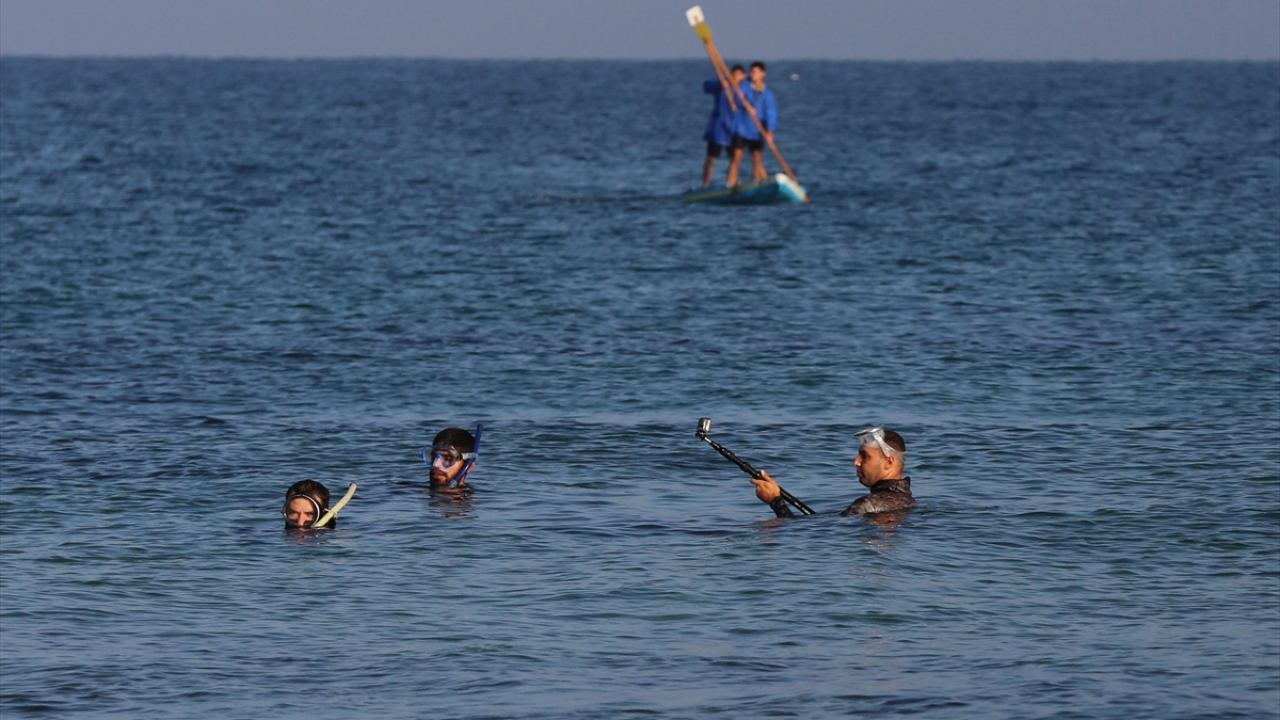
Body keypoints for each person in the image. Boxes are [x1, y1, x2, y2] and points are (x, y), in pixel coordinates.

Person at [750, 427, 916, 518]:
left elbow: (812, 539)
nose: (855, 461)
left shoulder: (869, 504)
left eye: (864, 456)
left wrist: (775, 501)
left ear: (888, 462)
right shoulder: (909, 501)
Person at [726, 61, 778, 187]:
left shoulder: (768, 95)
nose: (752, 74)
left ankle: (756, 184)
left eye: (755, 72)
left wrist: (769, 131)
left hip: (757, 131)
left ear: (762, 74)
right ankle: (730, 184)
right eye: (751, 71)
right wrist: (746, 105)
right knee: (736, 157)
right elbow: (737, 98)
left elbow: (770, 113)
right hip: (742, 128)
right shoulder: (744, 86)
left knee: (756, 158)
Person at [700, 64, 746, 187]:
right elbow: (706, 86)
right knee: (711, 159)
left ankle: (731, 183)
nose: (735, 77)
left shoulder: (744, 90)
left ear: (743, 76)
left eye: (738, 75)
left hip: (734, 130)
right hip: (718, 129)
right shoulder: (722, 85)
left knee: (735, 159)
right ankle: (705, 184)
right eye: (733, 74)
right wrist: (720, 83)